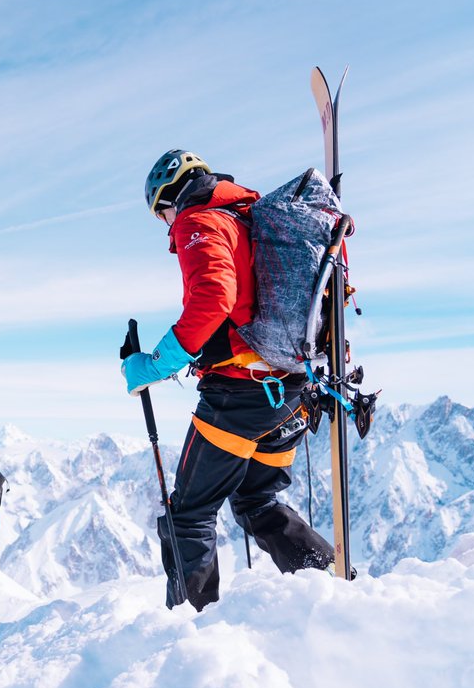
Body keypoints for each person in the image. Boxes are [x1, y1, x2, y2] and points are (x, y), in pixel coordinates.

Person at [122, 149, 333, 611]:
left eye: (161, 212)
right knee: (258, 501)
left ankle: (193, 630)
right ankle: (332, 583)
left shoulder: (198, 221)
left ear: (169, 198)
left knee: (189, 515)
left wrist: (157, 363)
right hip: (291, 388)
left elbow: (215, 296)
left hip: (239, 395)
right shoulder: (248, 218)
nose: (165, 223)